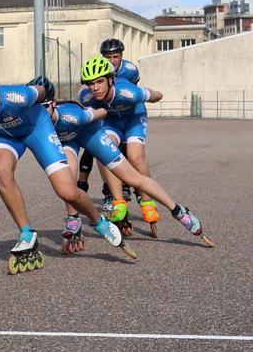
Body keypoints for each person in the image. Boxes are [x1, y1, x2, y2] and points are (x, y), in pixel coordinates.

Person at [0, 52, 133, 274]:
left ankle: (100, 222)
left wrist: (50, 100)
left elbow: (41, 90)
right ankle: (26, 233)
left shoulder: (17, 96)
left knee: (67, 191)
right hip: (6, 135)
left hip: (36, 128)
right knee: (0, 168)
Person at [45, 98, 214, 251]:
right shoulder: (35, 120)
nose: (41, 112)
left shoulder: (72, 115)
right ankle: (74, 220)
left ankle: (179, 211)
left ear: (52, 105)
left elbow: (101, 113)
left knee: (133, 178)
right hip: (66, 140)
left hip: (89, 133)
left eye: (46, 107)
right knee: (67, 176)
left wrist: (98, 111)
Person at [78, 55, 163, 236]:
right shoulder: (86, 97)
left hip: (133, 119)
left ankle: (147, 201)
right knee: (105, 151)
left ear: (110, 80)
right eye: (90, 83)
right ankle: (119, 202)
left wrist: (155, 95)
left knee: (135, 155)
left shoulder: (129, 92)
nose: (95, 87)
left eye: (100, 82)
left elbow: (156, 95)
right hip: (112, 122)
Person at [76, 38, 140, 209]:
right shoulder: (97, 68)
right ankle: (105, 189)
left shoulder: (131, 70)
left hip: (125, 112)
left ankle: (130, 185)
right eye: (108, 57)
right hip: (104, 112)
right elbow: (85, 88)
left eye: (115, 57)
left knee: (129, 148)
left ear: (121, 56)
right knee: (97, 147)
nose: (112, 60)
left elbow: (134, 93)